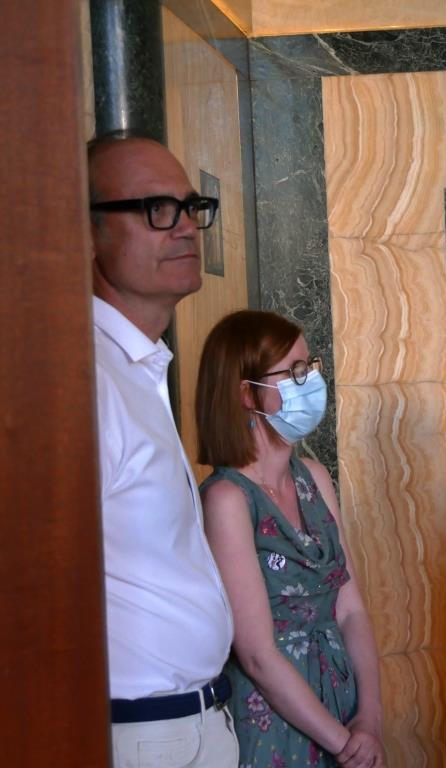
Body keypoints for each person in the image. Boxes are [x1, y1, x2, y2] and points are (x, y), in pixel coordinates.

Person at [89, 134, 238, 766]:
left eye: (189, 206)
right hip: (138, 733)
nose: (184, 228)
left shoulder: (138, 367)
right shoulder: (84, 377)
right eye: (155, 209)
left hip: (196, 721)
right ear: (88, 230)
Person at [195, 310, 385, 768]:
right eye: (295, 371)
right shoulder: (228, 499)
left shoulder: (314, 477)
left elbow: (351, 607)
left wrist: (371, 719)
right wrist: (342, 743)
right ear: (246, 393)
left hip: (346, 703)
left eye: (309, 366)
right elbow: (257, 654)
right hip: (277, 721)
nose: (310, 381)